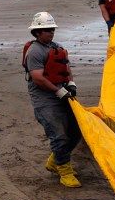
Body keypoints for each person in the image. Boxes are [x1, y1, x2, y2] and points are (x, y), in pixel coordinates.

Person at [23, 11, 82, 188]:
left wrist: (71, 83)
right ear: (37, 33)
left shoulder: (57, 47)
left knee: (75, 131)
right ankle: (64, 170)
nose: (51, 32)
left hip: (62, 93)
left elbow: (66, 67)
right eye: (47, 30)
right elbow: (38, 78)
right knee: (59, 135)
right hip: (45, 99)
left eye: (52, 29)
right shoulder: (34, 52)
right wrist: (58, 91)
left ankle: (55, 160)